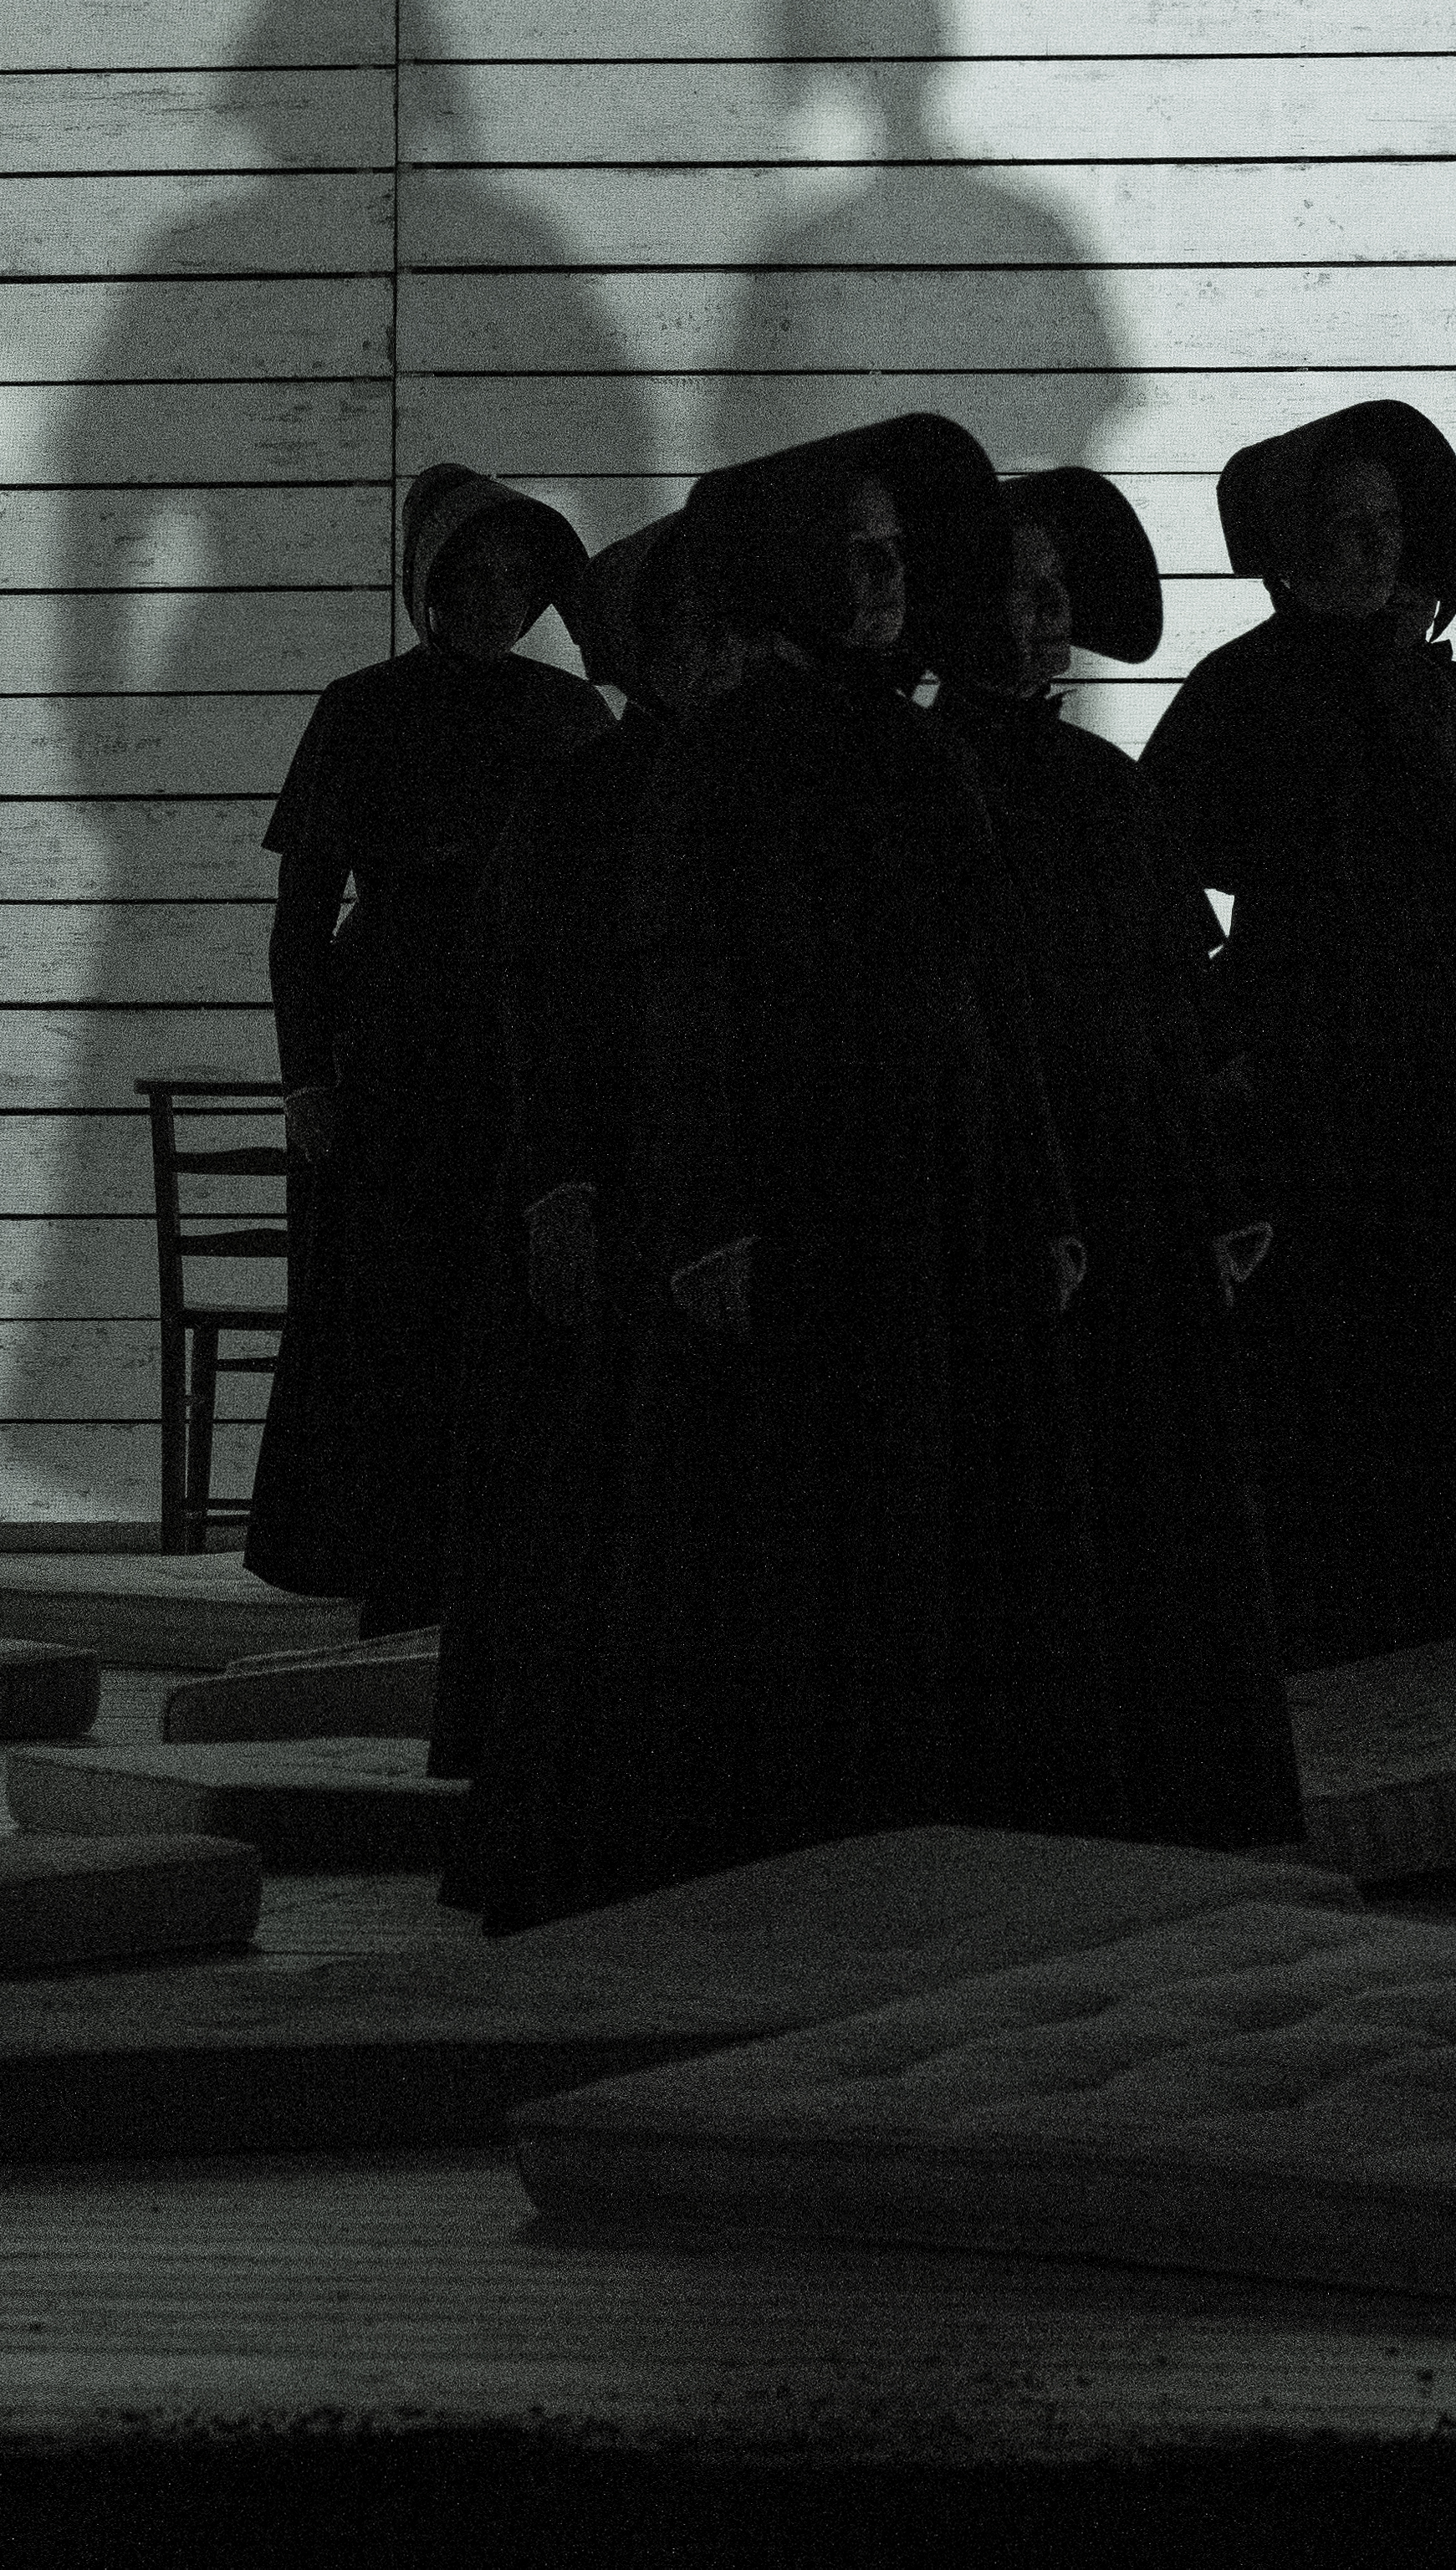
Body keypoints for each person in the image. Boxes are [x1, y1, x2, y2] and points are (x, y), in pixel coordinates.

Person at [526, 423, 1114, 1915]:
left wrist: (1039, 1199)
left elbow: (994, 992)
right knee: (780, 1531)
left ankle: (919, 1828)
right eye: (857, 555)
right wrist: (710, 1222)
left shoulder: (914, 747)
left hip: (931, 1195)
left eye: (897, 557)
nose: (885, 583)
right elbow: (685, 1005)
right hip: (795, 1200)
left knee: (928, 1521)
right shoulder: (715, 763)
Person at [1143, 396, 1456, 1666]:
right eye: (1345, 527)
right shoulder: (1238, 692)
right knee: (1331, 1350)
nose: (1372, 550)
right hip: (1310, 1063)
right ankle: (1339, 1624)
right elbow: (1154, 878)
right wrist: (1220, 1038)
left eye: (1389, 524)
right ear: (1293, 546)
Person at [932, 460, 1299, 1850]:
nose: (1039, 619)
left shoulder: (1104, 783)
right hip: (997, 1187)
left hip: (1138, 1186)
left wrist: (1219, 1190)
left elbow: (1182, 1005)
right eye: (1014, 592)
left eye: (1054, 594)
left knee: (1152, 1492)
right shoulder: (920, 779)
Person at [240, 465, 610, 1632]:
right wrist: (308, 1077)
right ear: (430, 587)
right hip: (396, 1059)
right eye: (475, 575)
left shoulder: (569, 719)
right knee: (393, 1332)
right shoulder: (361, 709)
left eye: (516, 576)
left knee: (514, 1321)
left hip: (518, 1059)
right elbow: (300, 922)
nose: (498, 596)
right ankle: (395, 1583)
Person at [435, 508, 728, 1927]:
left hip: (674, 1178)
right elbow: (538, 1004)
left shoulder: (739, 781)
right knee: (580, 1503)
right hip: (601, 1181)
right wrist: (559, 1184)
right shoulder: (585, 792)